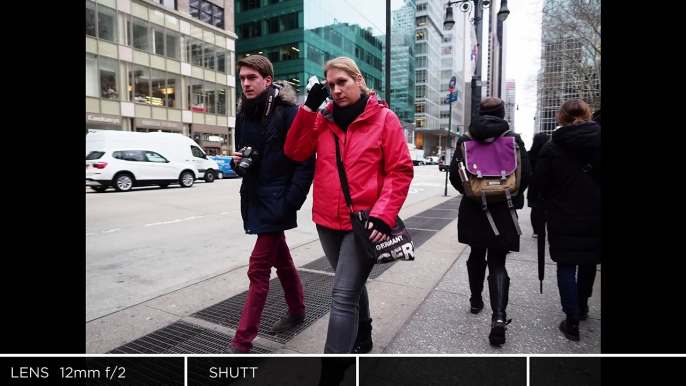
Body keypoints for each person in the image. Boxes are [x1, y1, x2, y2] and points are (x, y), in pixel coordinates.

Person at [284, 56, 413, 353]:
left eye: (342, 82)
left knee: (342, 295)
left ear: (359, 80)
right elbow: (294, 151)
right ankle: (364, 333)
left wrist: (383, 215)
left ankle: (331, 371)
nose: (336, 90)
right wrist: (307, 108)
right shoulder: (322, 120)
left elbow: (400, 169)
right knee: (351, 285)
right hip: (326, 221)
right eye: (330, 85)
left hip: (366, 222)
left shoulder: (385, 119)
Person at [222, 55, 315, 354]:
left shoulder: (288, 112)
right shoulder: (243, 114)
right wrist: (237, 163)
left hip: (278, 201)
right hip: (255, 198)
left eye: (252, 78)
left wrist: (291, 202)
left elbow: (304, 160)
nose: (246, 83)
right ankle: (298, 308)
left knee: (258, 268)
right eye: (242, 78)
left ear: (267, 80)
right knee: (282, 259)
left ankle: (241, 343)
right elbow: (244, 160)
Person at [448, 97, 532, 345]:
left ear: (479, 113)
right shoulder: (513, 139)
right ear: (502, 113)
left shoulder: (465, 140)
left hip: (474, 208)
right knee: (498, 261)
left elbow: (455, 177)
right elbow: (526, 175)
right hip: (503, 209)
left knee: (476, 253)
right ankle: (499, 317)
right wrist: (509, 196)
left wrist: (474, 191)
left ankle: (476, 301)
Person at [533, 98, 600, 342]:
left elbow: (541, 182)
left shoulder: (552, 147)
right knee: (589, 261)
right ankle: (582, 307)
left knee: (566, 264)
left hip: (562, 213)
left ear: (561, 117)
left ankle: (571, 320)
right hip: (595, 212)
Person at [527, 133, 550, 238]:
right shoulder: (550, 153)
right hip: (548, 184)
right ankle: (546, 228)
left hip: (534, 185)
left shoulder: (529, 154)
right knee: (547, 208)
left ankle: (536, 231)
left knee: (535, 208)